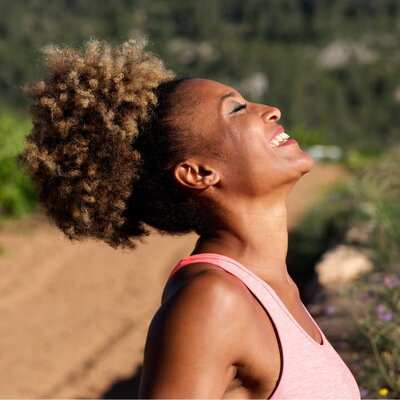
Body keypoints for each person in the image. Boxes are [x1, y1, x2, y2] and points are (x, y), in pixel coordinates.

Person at [21, 39, 360, 399]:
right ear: (198, 173)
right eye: (236, 110)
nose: (271, 110)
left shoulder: (273, 287)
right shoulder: (213, 301)